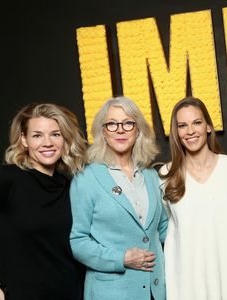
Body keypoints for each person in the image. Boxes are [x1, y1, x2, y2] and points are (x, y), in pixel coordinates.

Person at [0, 103, 86, 300]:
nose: (47, 142)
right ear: (24, 140)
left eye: (55, 134)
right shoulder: (5, 179)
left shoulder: (68, 182)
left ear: (65, 138)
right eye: (37, 135)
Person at [69, 97, 168, 300]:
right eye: (112, 124)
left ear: (138, 130)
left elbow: (163, 229)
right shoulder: (86, 179)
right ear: (103, 132)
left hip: (155, 291)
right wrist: (120, 258)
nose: (120, 130)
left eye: (128, 123)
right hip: (111, 293)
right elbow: (78, 241)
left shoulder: (150, 176)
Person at [159, 97, 227, 300]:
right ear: (177, 133)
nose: (190, 131)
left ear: (208, 126)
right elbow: (169, 226)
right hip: (186, 285)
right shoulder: (167, 174)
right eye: (182, 126)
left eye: (197, 122)